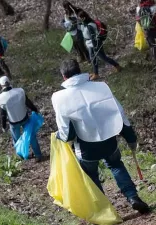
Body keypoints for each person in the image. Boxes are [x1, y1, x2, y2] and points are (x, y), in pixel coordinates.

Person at [51, 59, 150, 214]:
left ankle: (105, 211)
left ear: (64, 77)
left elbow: (65, 131)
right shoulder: (101, 87)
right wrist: (130, 137)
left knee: (91, 176)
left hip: (85, 147)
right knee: (116, 165)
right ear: (79, 70)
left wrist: (61, 138)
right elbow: (119, 113)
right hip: (109, 139)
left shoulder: (59, 97)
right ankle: (133, 197)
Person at [0, 76, 42, 162]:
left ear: (1, 85)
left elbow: (3, 114)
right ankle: (38, 155)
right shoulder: (20, 91)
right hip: (24, 118)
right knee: (31, 137)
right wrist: (35, 110)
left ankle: (22, 155)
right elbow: (28, 102)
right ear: (9, 82)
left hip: (13, 122)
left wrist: (3, 126)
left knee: (17, 140)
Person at [78, 11, 121, 80]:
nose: (79, 19)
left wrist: (95, 47)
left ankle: (117, 65)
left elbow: (93, 37)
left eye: (80, 18)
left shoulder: (90, 26)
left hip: (95, 43)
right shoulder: (85, 24)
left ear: (83, 18)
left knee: (103, 57)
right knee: (93, 58)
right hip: (90, 44)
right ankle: (96, 73)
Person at [136, 0, 156, 65]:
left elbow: (138, 20)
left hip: (147, 31)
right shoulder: (153, 7)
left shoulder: (138, 8)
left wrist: (144, 29)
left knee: (153, 47)